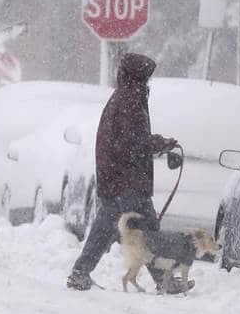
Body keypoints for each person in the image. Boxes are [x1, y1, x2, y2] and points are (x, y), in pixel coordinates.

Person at [66, 53, 191, 294]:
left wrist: (154, 143)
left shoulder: (124, 97)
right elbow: (133, 143)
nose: (148, 82)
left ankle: (81, 273)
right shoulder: (129, 100)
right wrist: (159, 144)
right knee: (148, 232)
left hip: (118, 178)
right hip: (127, 180)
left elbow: (127, 141)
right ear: (138, 77)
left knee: (111, 229)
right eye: (146, 77)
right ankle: (164, 281)